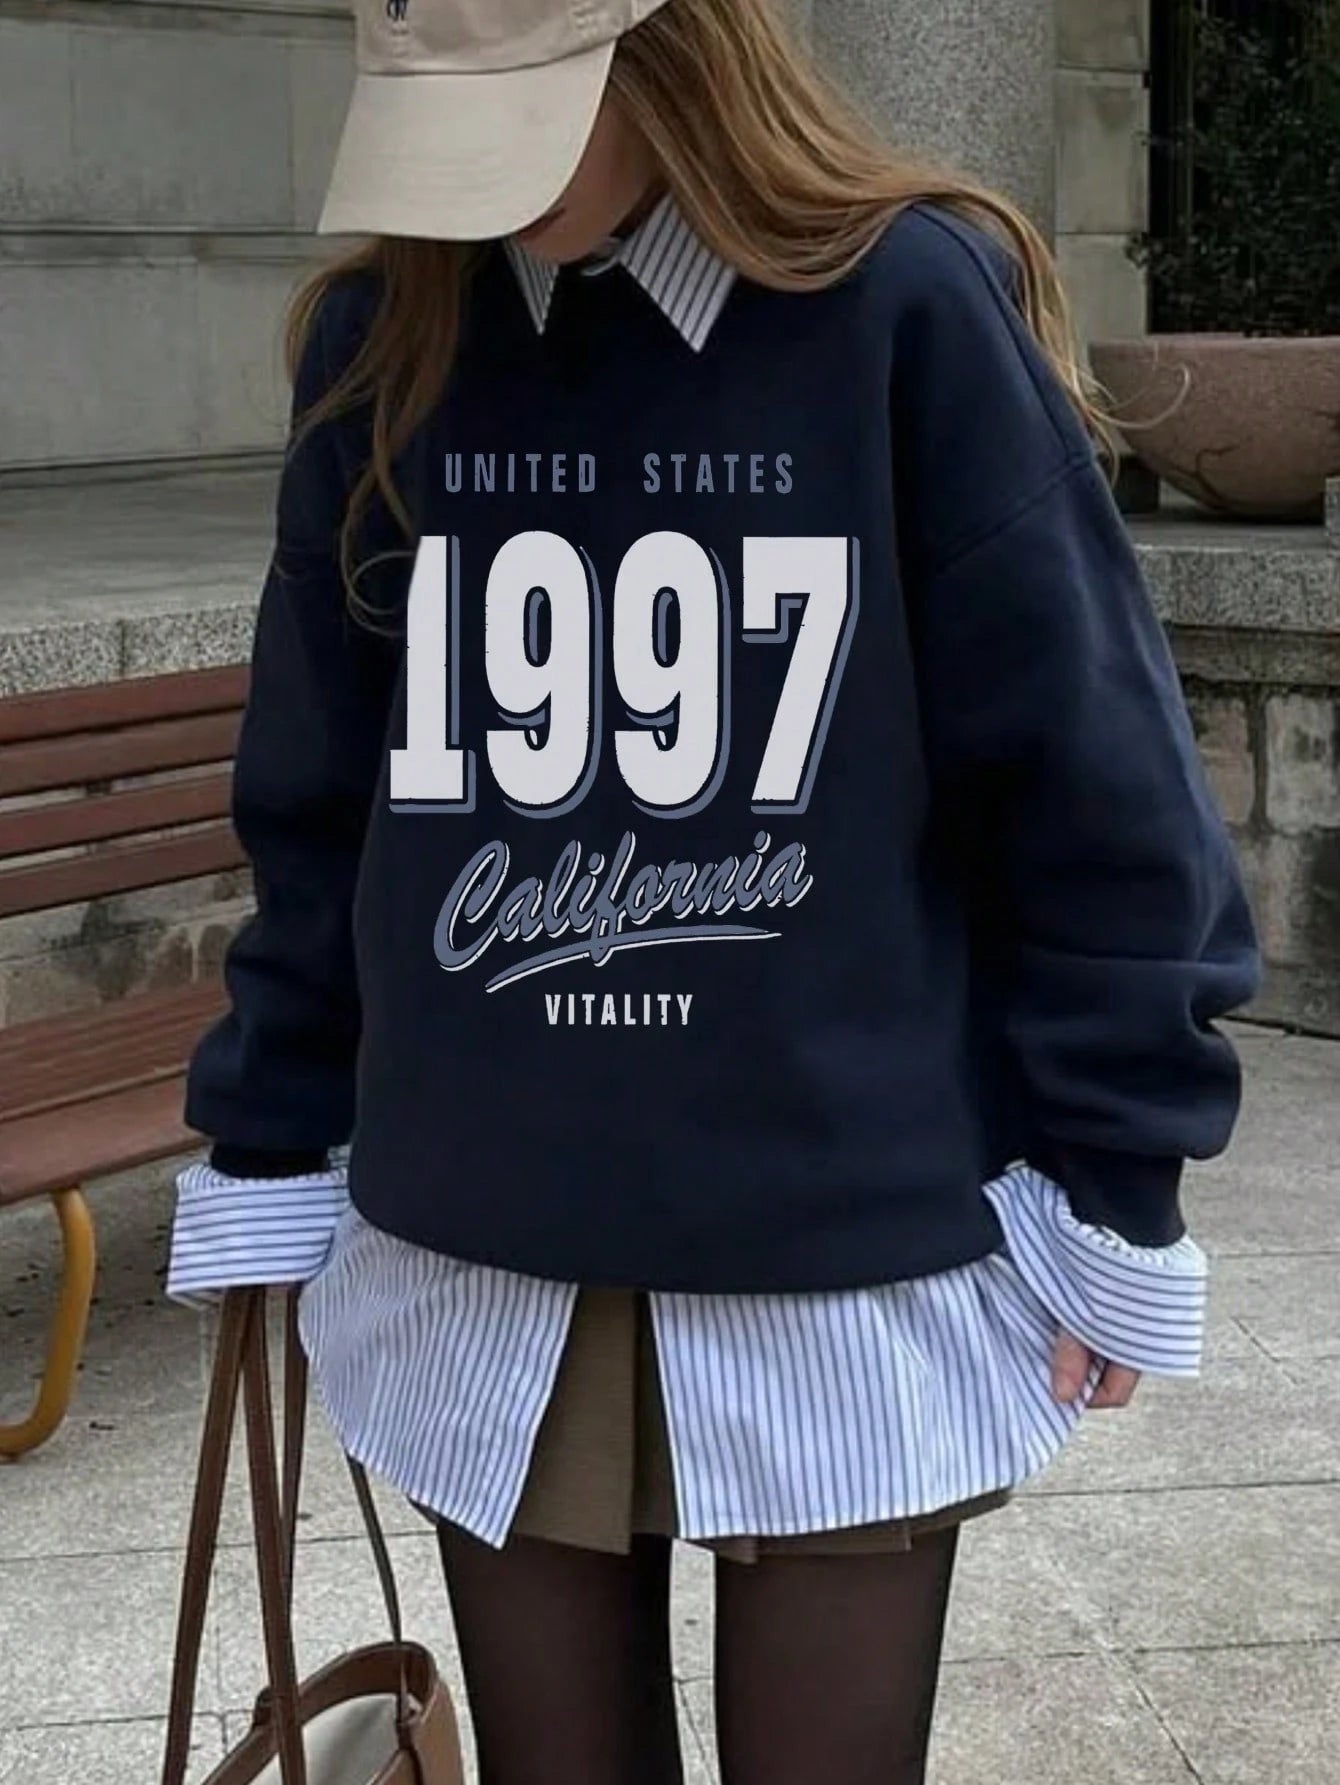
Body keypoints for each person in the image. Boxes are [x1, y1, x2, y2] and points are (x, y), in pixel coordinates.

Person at [165, 1, 1263, 1780]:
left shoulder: (906, 309)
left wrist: (1119, 1172)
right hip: (483, 1247)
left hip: (844, 1247)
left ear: (675, 48)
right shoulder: (388, 339)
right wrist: (272, 1142)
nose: (486, 187)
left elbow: (1092, 780)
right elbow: (320, 799)